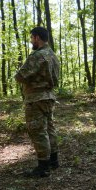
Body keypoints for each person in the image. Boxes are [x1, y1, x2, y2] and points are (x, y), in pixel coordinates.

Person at [15, 27, 60, 178]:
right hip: (49, 97)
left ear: (37, 37)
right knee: (49, 129)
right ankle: (54, 161)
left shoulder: (37, 55)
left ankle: (43, 168)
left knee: (38, 131)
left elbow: (20, 76)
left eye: (31, 38)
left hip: (36, 98)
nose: (30, 41)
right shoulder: (53, 55)